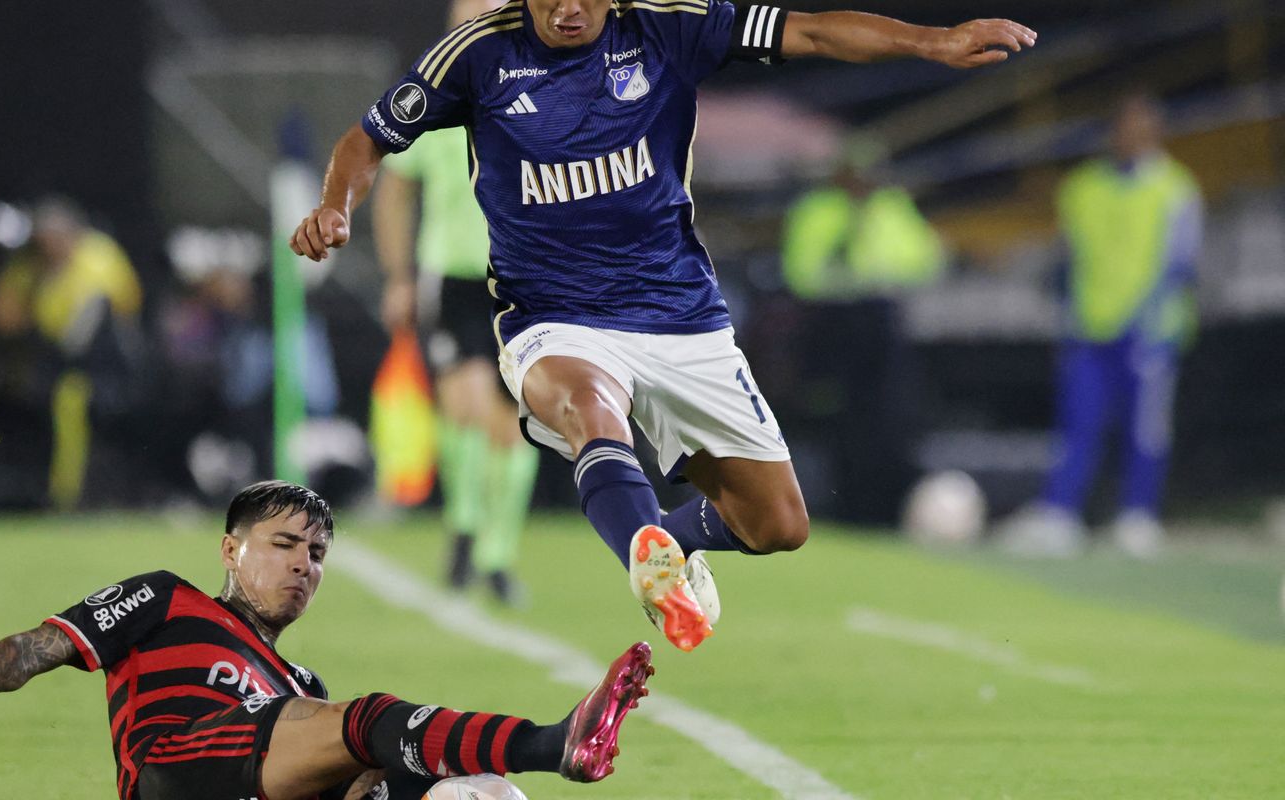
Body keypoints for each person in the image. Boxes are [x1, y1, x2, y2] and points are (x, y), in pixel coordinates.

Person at [290, 0, 1036, 651]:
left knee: (777, 523)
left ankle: (670, 542)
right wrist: (336, 206)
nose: (571, 8)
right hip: (553, 316)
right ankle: (641, 555)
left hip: (680, 316)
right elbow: (369, 138)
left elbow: (808, 33)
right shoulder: (481, 51)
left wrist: (930, 42)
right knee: (590, 409)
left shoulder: (670, 26)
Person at [0, 481, 654, 800]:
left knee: (473, 791)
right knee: (366, 722)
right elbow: (34, 648)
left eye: (316, 554)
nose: (302, 566)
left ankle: (528, 763)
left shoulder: (297, 682)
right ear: (230, 549)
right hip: (173, 772)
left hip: (253, 781)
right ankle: (555, 742)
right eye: (283, 545)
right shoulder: (164, 599)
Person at [373, 0, 541, 604]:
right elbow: (394, 190)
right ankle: (465, 529)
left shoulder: (544, 89)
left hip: (523, 275)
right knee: (465, 405)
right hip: (454, 273)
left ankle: (498, 555)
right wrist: (398, 275)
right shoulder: (433, 93)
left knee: (513, 422)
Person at [998, 93, 1202, 559]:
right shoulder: (1082, 187)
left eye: (1141, 127)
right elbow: (1068, 259)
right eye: (1123, 127)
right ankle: (1060, 516)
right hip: (1088, 329)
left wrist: (1150, 321)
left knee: (1145, 429)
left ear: (1156, 133)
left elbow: (1181, 263)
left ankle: (1138, 516)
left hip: (1148, 331)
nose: (1130, 136)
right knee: (1077, 424)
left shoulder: (1175, 188)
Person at [782, 143, 943, 524]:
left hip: (880, 323)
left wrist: (874, 257)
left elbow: (925, 259)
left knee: (887, 418)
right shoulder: (818, 210)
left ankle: (882, 508)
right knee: (838, 420)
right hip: (833, 324)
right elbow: (802, 273)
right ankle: (839, 506)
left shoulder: (891, 208)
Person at [0, 197, 144, 510]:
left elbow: (122, 308)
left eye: (57, 238)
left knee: (72, 405)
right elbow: (4, 320)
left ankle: (69, 496)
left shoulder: (98, 257)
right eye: (44, 240)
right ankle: (55, 494)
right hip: (47, 363)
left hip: (102, 363)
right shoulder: (29, 267)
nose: (51, 247)